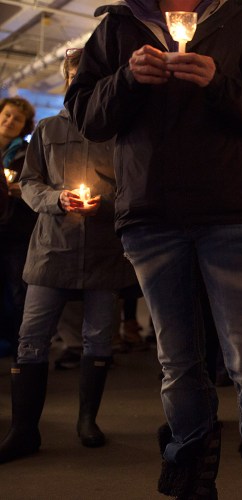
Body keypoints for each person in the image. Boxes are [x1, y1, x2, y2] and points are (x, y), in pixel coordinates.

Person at [64, 1, 242, 498]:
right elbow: (86, 116)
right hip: (151, 215)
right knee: (178, 361)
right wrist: (126, 79)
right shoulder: (118, 27)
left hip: (230, 211)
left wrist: (219, 83)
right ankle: (192, 477)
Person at [0, 47, 138, 464]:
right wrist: (57, 199)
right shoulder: (44, 129)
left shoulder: (121, 132)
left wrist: (106, 200)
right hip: (51, 249)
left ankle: (87, 421)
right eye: (78, 76)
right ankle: (24, 431)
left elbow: (134, 188)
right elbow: (28, 183)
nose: (85, 83)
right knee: (31, 338)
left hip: (102, 250)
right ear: (68, 79)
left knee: (97, 338)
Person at [0, 97, 36, 359]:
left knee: (17, 293)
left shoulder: (27, 154)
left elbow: (35, 188)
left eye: (18, 119)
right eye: (7, 115)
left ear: (25, 126)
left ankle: (20, 353)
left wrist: (21, 191)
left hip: (16, 232)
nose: (10, 121)